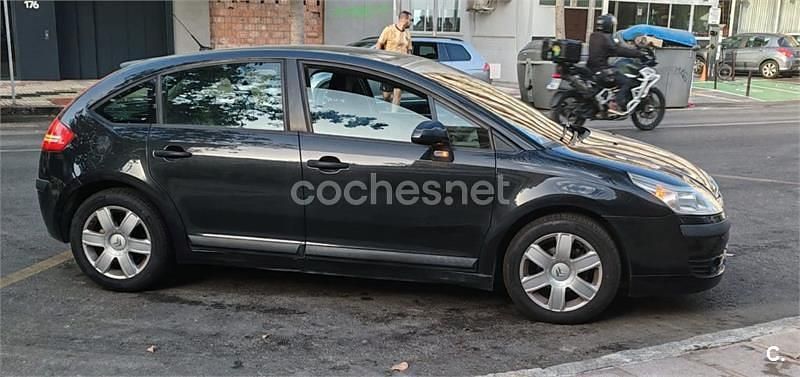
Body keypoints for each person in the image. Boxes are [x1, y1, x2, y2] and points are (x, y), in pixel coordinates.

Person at [587, 14, 644, 114]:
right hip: (602, 71)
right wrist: (637, 53)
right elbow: (619, 50)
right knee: (627, 81)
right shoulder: (606, 38)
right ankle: (616, 103)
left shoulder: (593, 36)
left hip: (591, 70)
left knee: (615, 71)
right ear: (609, 26)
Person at [375, 10, 413, 105]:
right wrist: (380, 58)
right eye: (410, 20)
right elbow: (379, 44)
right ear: (404, 19)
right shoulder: (389, 29)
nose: (411, 23)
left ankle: (394, 114)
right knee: (386, 96)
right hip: (389, 66)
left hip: (401, 67)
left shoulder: (407, 33)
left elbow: (409, 50)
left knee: (398, 93)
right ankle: (390, 104)